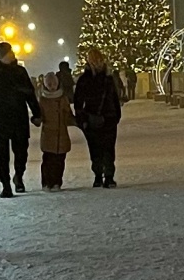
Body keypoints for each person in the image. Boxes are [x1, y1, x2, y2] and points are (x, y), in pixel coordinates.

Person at [0, 40, 41, 196]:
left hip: (18, 117)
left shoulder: (20, 71)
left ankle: (19, 176)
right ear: (3, 55)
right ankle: (6, 184)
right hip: (1, 119)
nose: (13, 54)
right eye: (10, 52)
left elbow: (30, 93)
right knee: (2, 155)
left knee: (21, 151)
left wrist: (36, 113)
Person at [73, 45, 122, 186]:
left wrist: (116, 115)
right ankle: (100, 174)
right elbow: (78, 102)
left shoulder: (107, 79)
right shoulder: (86, 80)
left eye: (98, 59)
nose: (97, 62)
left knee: (105, 148)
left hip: (107, 118)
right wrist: (82, 119)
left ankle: (107, 175)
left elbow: (114, 98)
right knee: (97, 148)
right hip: (93, 118)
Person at [37, 79, 73, 189]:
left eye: (54, 84)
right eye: (49, 84)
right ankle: (47, 182)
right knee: (48, 160)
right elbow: (39, 115)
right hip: (48, 134)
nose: (52, 86)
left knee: (60, 160)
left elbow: (68, 115)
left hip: (61, 134)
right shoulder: (43, 100)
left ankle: (57, 181)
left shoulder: (63, 98)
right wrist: (37, 119)